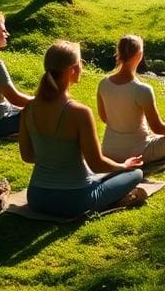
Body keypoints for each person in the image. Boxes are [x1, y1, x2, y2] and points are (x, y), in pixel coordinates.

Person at [19, 40, 145, 217]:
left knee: (104, 176)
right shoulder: (79, 112)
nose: (82, 67)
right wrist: (123, 166)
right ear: (72, 70)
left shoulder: (28, 109)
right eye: (81, 63)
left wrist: (54, 156)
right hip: (75, 201)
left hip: (37, 198)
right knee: (136, 173)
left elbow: (28, 156)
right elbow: (97, 164)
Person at [97, 35, 165, 163]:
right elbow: (157, 128)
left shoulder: (103, 83)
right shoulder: (142, 90)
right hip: (138, 153)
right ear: (139, 54)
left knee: (159, 135)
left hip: (109, 151)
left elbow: (105, 118)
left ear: (118, 53)